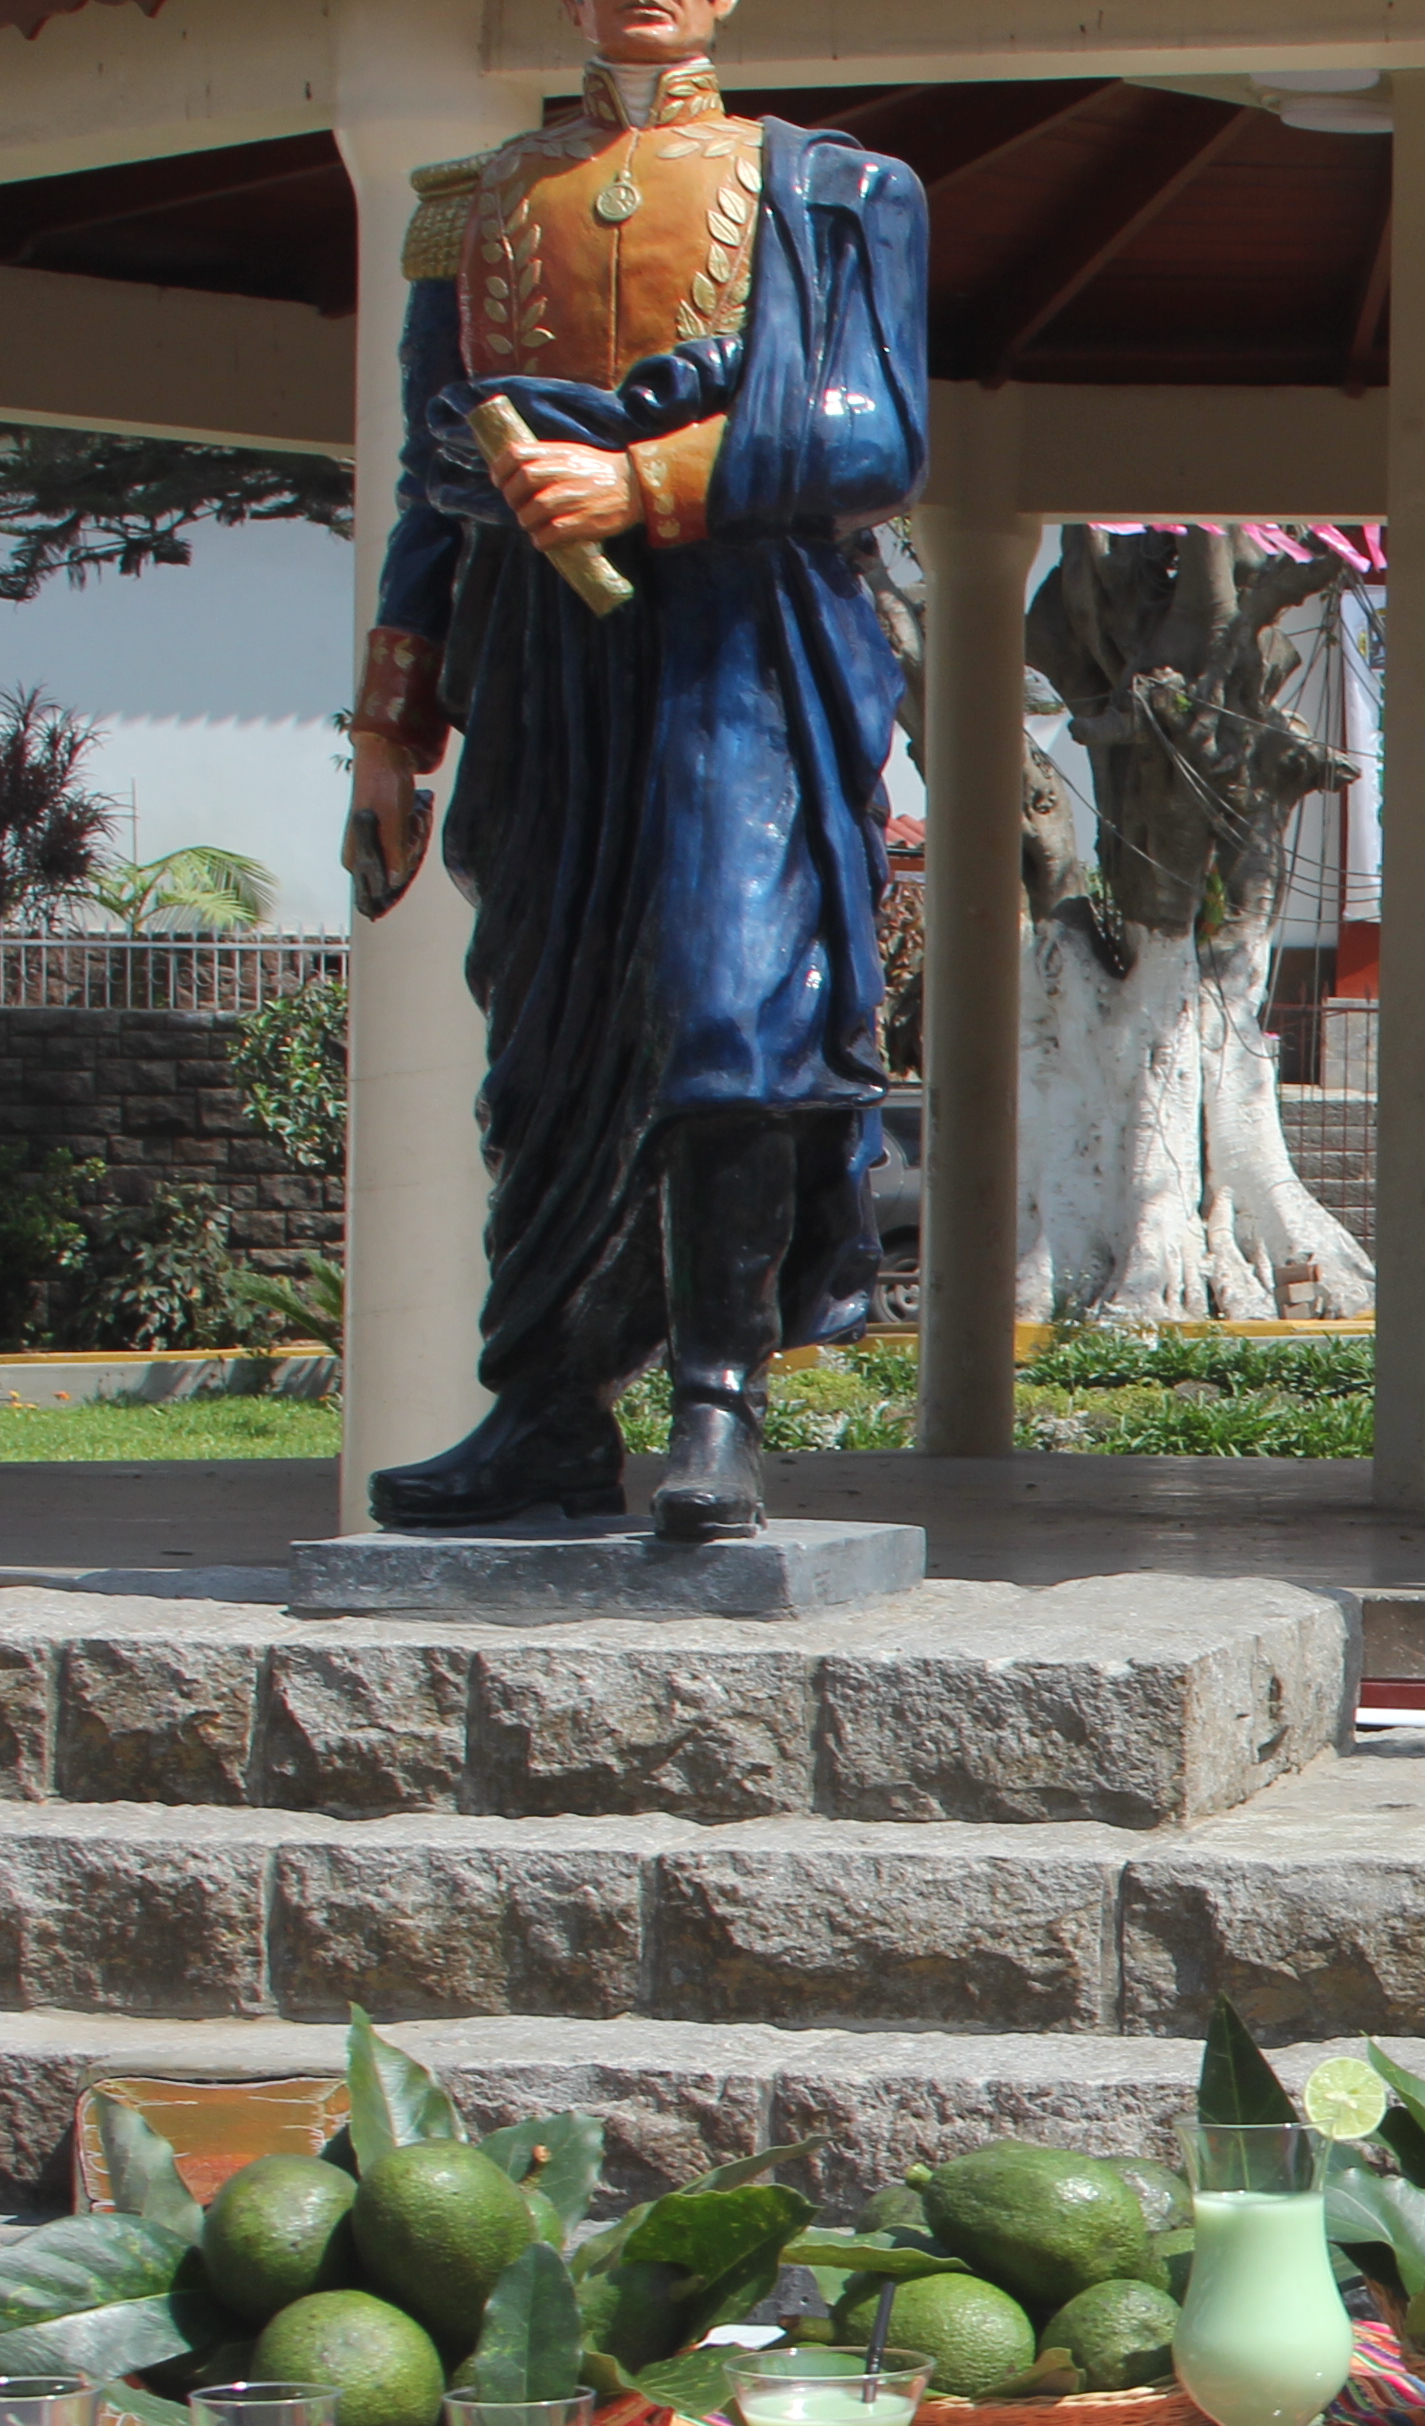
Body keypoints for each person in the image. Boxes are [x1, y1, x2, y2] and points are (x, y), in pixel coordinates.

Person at [346, 0, 927, 1541]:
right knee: (548, 1033)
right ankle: (544, 1409)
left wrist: (644, 477)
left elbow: (877, 432)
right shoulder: (472, 205)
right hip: (545, 659)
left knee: (732, 995)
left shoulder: (835, 193)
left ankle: (718, 1407)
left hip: (740, 639)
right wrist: (391, 725)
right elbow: (431, 476)